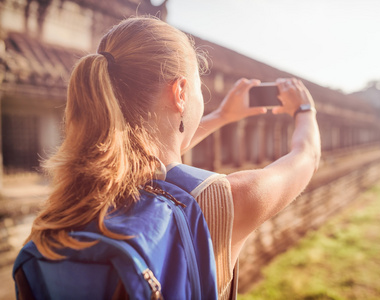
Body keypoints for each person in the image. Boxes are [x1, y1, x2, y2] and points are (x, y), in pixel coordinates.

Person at [26, 16, 320, 299]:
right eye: (197, 87)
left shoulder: (69, 201)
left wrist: (222, 117)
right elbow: (306, 156)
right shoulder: (217, 201)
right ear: (180, 91)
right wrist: (305, 110)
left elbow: (152, 152)